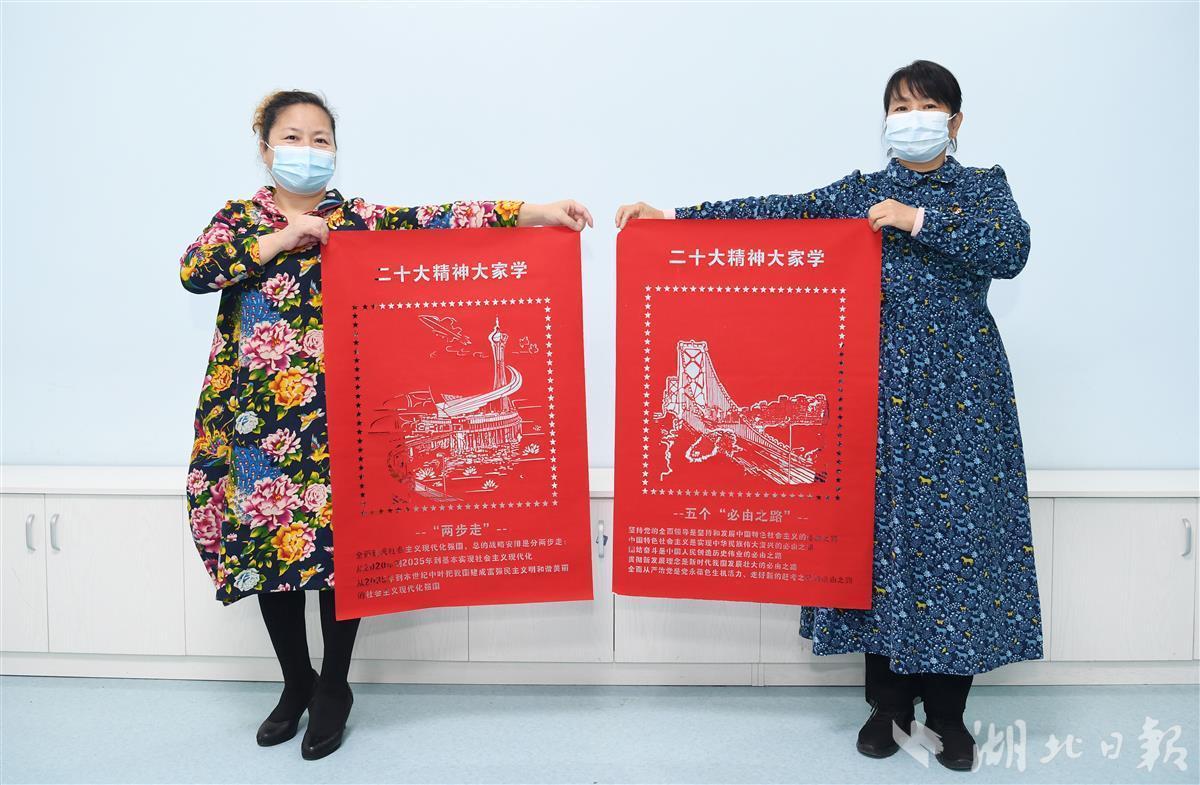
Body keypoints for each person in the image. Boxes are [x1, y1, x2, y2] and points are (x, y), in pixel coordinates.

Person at [615, 60, 1043, 772]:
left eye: (926, 107)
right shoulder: (862, 193)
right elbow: (783, 211)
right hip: (873, 388)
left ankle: (949, 716)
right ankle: (887, 706)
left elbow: (1013, 249)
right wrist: (676, 219)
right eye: (899, 107)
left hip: (961, 394)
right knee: (874, 543)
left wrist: (918, 220)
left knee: (956, 542)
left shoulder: (983, 189)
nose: (912, 119)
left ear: (955, 121)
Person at [180, 89, 593, 761]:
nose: (308, 150)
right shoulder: (238, 221)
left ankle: (334, 686)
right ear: (265, 148)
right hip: (256, 422)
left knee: (339, 556)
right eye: (293, 137)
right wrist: (282, 239)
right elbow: (194, 271)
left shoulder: (356, 220)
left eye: (321, 139)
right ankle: (295, 682)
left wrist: (535, 212)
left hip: (340, 417)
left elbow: (438, 220)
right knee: (268, 556)